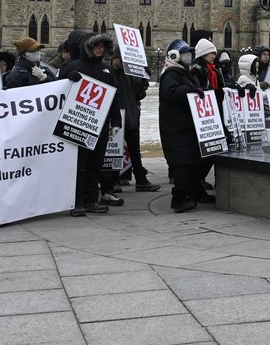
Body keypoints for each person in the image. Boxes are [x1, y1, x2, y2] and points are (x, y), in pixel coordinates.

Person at [60, 31, 118, 216]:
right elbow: (57, 90)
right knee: (79, 166)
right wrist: (68, 78)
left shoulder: (107, 70)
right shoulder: (73, 66)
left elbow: (113, 98)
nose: (101, 49)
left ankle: (92, 199)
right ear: (89, 47)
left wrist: (116, 121)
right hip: (77, 124)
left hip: (99, 126)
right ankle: (76, 201)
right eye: (97, 46)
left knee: (95, 165)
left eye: (103, 46)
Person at [157, 40, 204, 213]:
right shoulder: (171, 73)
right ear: (174, 56)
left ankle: (189, 195)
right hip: (175, 128)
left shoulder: (185, 73)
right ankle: (179, 199)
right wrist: (190, 91)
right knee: (181, 164)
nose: (188, 57)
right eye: (185, 53)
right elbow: (170, 93)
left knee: (190, 162)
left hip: (184, 127)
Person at [112, 50, 156, 191]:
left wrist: (144, 79)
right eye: (121, 60)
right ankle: (113, 181)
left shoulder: (129, 74)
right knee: (114, 150)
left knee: (134, 150)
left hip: (131, 116)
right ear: (115, 58)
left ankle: (141, 179)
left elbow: (139, 94)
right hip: (115, 117)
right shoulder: (108, 71)